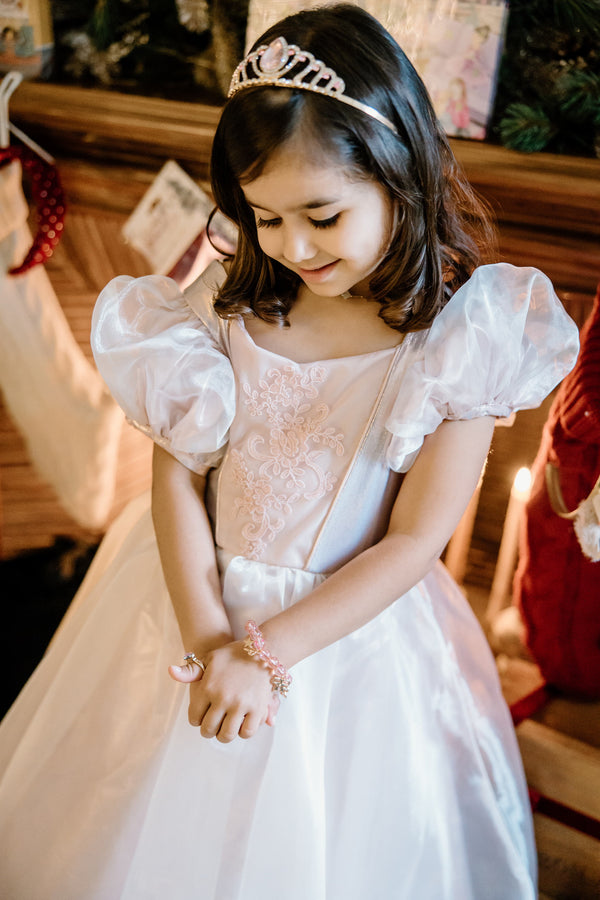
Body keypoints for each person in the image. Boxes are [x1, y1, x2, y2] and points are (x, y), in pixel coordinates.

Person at [0, 5, 579, 898]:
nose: (294, 247)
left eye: (322, 214)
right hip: (187, 606)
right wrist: (206, 644)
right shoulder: (229, 307)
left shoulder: (458, 342)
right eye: (266, 219)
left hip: (339, 645)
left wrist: (262, 655)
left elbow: (413, 543)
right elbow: (177, 478)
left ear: (400, 177)